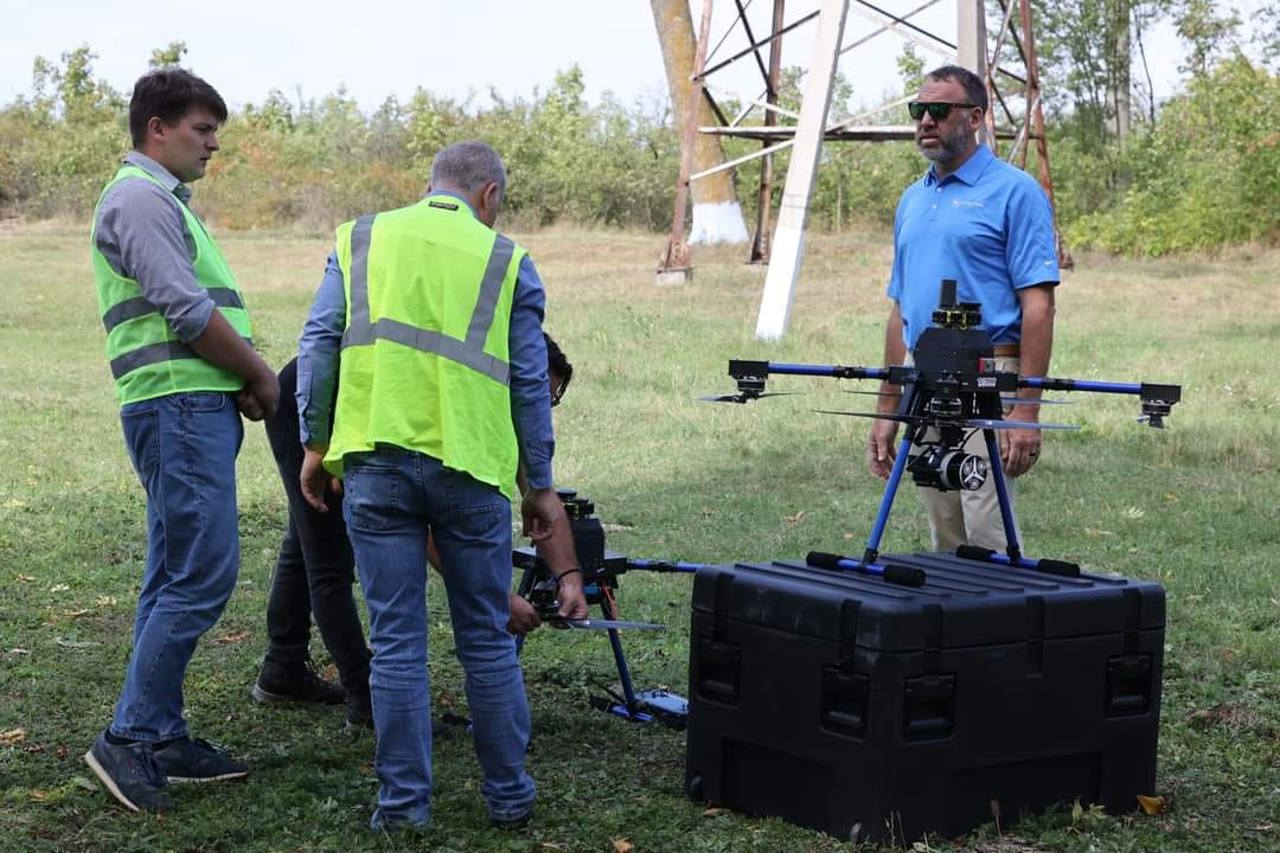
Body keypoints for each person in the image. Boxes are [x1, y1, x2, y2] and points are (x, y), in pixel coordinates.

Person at [296, 140, 587, 831]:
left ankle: (401, 809)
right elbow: (528, 385)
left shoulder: (361, 237)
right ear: (488, 196)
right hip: (471, 472)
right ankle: (510, 797)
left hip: (376, 463)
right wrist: (539, 487)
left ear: (433, 187)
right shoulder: (508, 259)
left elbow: (318, 342)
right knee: (485, 640)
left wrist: (315, 444)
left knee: (397, 641)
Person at [85, 69, 279, 813]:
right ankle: (131, 735)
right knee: (201, 572)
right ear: (156, 128)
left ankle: (160, 733)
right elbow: (183, 308)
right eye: (202, 131)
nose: (212, 146)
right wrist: (259, 375)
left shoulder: (160, 200)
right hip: (177, 409)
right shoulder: (139, 197)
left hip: (186, 407)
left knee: (173, 572)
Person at [252, 334, 575, 729]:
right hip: (317, 397)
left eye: (550, 400)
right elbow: (409, 521)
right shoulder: (449, 396)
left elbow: (540, 489)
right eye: (539, 393)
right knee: (327, 555)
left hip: (349, 395)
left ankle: (282, 668)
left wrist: (569, 577)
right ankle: (365, 698)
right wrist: (496, 598)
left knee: (305, 536)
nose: (540, 408)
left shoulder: (494, 403)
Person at [866, 64, 1060, 551]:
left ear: (976, 117)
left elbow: (1038, 306)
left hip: (991, 369)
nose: (926, 121)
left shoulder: (1015, 192)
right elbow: (900, 310)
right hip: (924, 372)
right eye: (919, 110)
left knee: (987, 528)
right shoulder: (913, 199)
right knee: (944, 524)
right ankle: (952, 622)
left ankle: (999, 622)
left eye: (939, 110)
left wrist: (1026, 409)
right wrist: (888, 407)